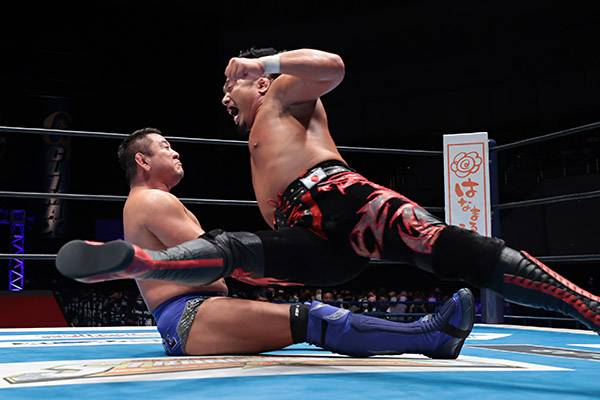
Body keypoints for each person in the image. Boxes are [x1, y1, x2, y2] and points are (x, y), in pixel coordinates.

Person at [56, 48, 600, 334]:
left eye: (230, 85)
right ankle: (143, 263)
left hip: (344, 201)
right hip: (310, 240)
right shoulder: (262, 126)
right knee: (233, 249)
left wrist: (264, 64)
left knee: (460, 252)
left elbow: (333, 67)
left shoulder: (281, 94)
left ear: (259, 82)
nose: (224, 96)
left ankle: (588, 306)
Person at [81, 127, 474, 358]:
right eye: (165, 147)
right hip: (190, 317)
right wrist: (289, 258)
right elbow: (213, 264)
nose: (175, 151)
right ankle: (427, 337)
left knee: (308, 316)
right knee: (312, 318)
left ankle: (425, 335)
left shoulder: (144, 202)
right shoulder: (153, 200)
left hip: (193, 315)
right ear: (143, 162)